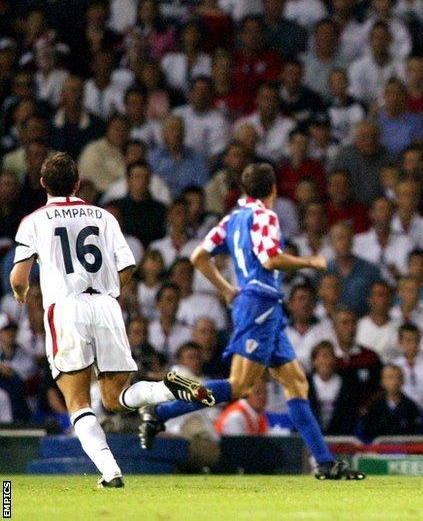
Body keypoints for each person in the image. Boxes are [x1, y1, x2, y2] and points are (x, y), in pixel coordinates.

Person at [139, 162, 366, 481]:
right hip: (258, 303)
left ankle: (325, 462)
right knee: (239, 385)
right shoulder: (264, 216)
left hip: (263, 306)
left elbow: (198, 257)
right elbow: (270, 258)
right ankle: (160, 412)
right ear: (273, 190)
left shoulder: (232, 219)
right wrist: (310, 262)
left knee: (296, 382)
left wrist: (226, 288)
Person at [9, 153, 213, 488]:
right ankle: (167, 387)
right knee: (115, 399)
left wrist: (21, 294)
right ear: (77, 184)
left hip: (67, 308)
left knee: (77, 402)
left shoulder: (35, 221)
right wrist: (105, 292)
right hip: (106, 306)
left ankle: (110, 471)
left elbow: (19, 277)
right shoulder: (103, 216)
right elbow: (128, 264)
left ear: (43, 184)